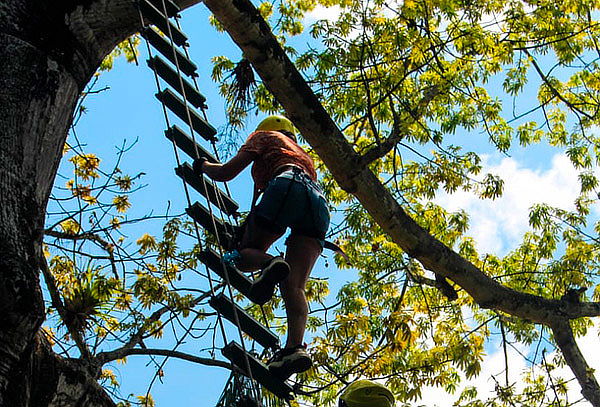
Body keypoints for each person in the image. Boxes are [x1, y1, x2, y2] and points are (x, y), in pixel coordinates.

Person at [194, 115, 330, 379]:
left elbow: (225, 173)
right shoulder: (303, 155)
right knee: (295, 286)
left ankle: (269, 263)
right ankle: (295, 348)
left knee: (244, 257)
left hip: (288, 186)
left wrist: (203, 166)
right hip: (319, 205)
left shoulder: (264, 137)